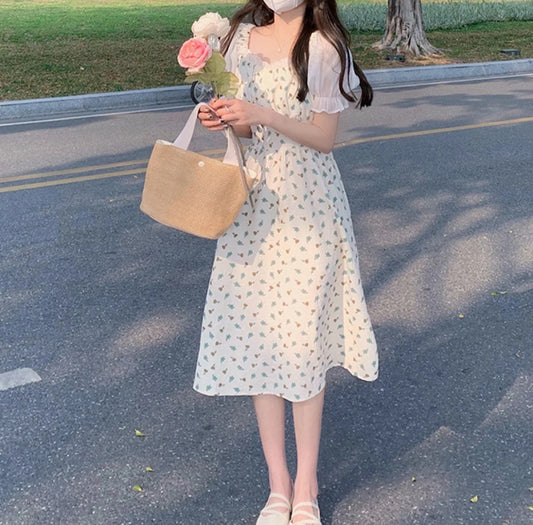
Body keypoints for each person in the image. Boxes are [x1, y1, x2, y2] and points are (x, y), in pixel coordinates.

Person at [195, 0, 378, 523]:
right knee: (261, 341)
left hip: (309, 208)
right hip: (252, 206)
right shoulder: (238, 43)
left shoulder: (323, 47)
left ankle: (306, 485)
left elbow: (324, 138)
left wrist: (261, 114)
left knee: (301, 343)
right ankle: (277, 486)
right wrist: (226, 118)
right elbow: (248, 132)